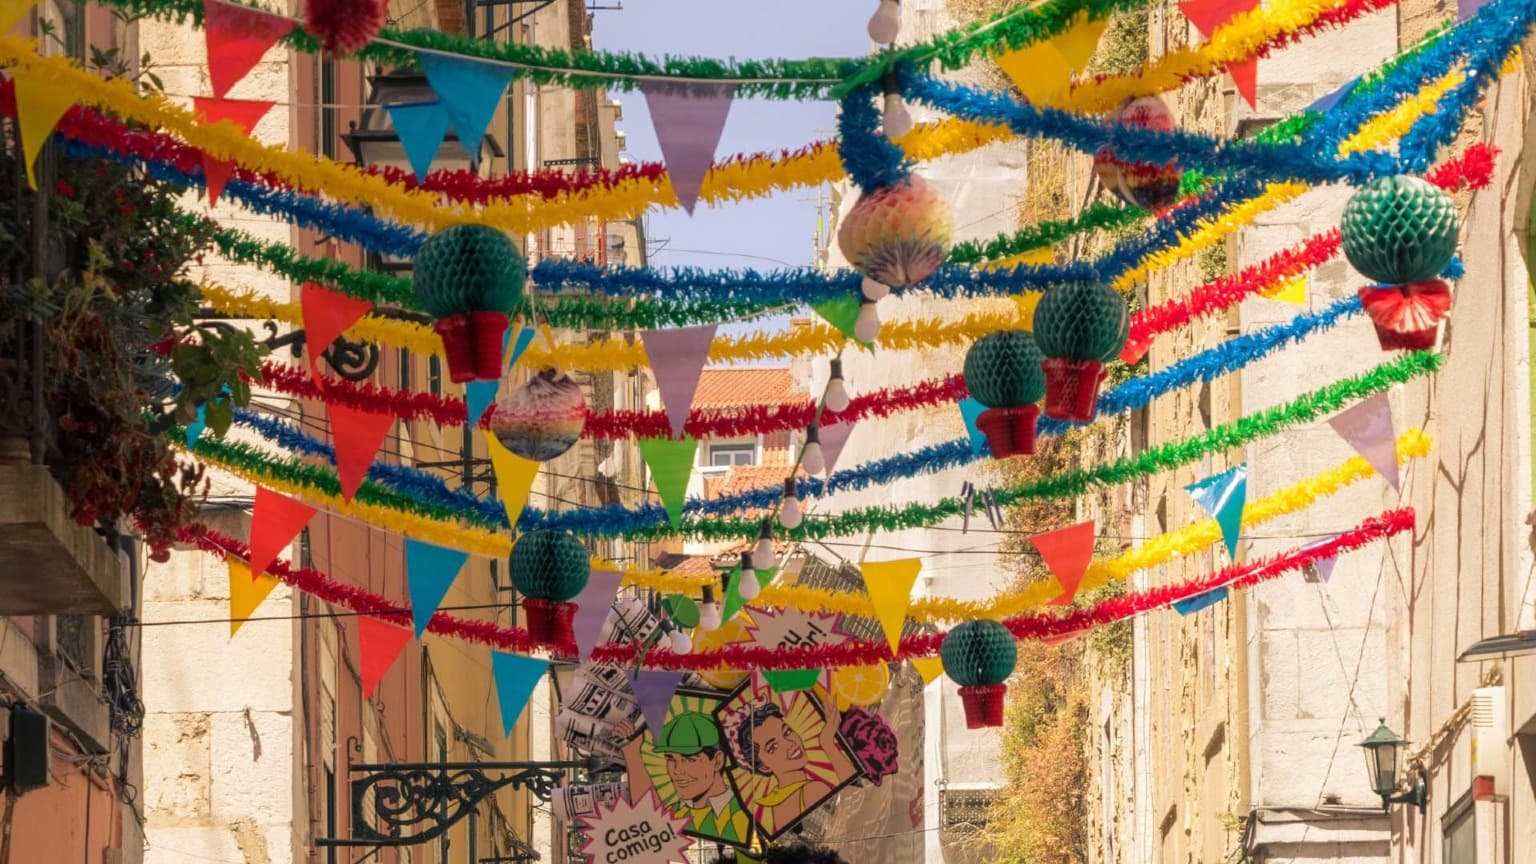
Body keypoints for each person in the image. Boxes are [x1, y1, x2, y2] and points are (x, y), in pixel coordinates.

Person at [616, 713, 753, 847]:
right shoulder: (677, 812)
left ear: (717, 761)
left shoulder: (742, 813)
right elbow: (651, 827)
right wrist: (632, 751)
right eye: (670, 758)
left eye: (688, 759)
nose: (677, 770)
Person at [732, 698, 856, 834]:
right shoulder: (811, 789)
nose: (790, 743)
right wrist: (827, 743)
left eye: (787, 732)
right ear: (764, 767)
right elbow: (853, 786)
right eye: (773, 747)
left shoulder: (777, 803)